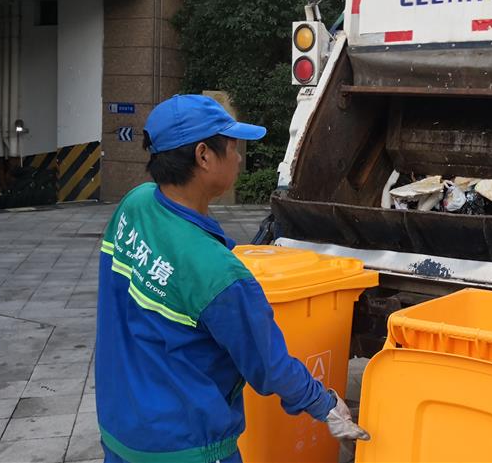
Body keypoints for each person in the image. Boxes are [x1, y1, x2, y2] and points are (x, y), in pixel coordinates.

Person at [95, 95, 368, 463]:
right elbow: (269, 367)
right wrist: (325, 404)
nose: (239, 158)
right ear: (203, 156)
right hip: (187, 447)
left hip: (121, 430)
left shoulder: (136, 204)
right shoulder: (219, 275)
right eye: (234, 147)